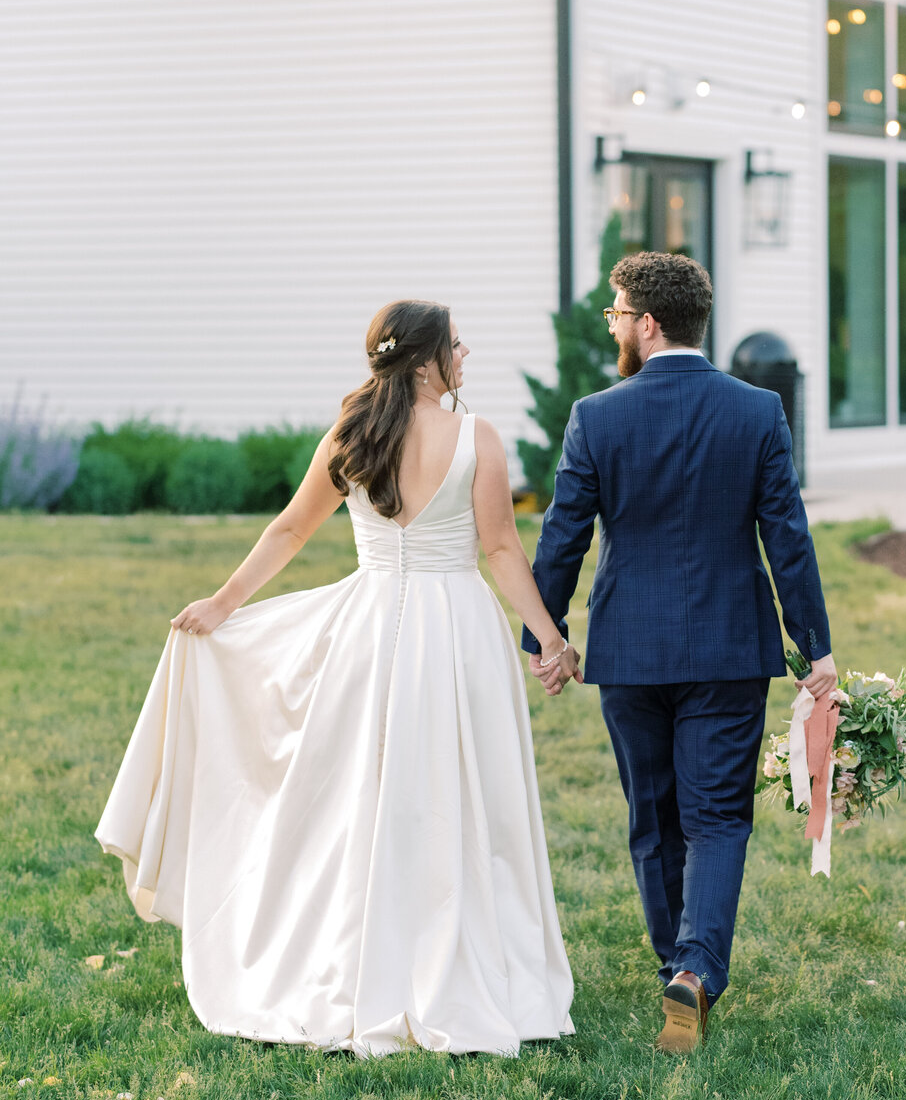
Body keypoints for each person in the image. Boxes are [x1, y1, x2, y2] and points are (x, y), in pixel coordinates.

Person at [96, 301, 575, 1057]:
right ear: (426, 362)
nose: (466, 351)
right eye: (456, 343)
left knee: (362, 792)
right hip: (455, 633)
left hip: (370, 628)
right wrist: (549, 637)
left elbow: (289, 527)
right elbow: (502, 548)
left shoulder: (351, 434)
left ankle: (359, 952)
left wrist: (226, 602)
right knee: (456, 791)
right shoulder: (476, 436)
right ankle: (457, 951)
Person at [523, 252, 835, 1054]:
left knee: (653, 817)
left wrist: (546, 635)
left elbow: (564, 535)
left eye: (618, 314)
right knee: (718, 816)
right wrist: (816, 649)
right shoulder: (758, 410)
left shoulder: (597, 416)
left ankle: (680, 961)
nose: (615, 327)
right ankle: (695, 969)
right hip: (731, 647)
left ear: (649, 323)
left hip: (630, 650)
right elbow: (788, 541)